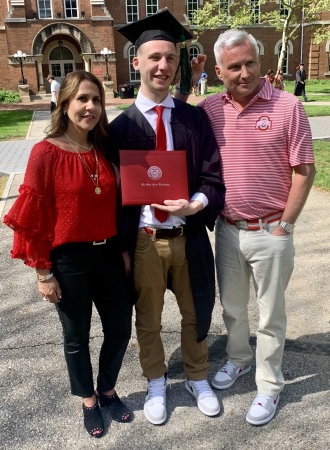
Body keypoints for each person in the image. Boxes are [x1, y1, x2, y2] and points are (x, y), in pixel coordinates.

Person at [176, 29, 315, 426]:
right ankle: (238, 359)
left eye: (250, 62)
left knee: (271, 314)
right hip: (227, 229)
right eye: (233, 66)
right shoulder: (209, 110)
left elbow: (304, 170)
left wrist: (285, 225)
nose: (243, 72)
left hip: (271, 230)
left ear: (260, 61)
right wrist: (186, 83)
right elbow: (178, 120)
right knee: (233, 307)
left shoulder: (288, 107)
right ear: (218, 71)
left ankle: (269, 385)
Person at [110, 10, 225, 425]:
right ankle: (156, 381)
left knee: (196, 311)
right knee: (150, 318)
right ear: (136, 62)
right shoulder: (119, 128)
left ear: (178, 64)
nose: (163, 65)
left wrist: (195, 204)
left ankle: (198, 376)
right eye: (154, 57)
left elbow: (213, 175)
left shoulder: (193, 119)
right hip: (144, 239)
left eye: (170, 58)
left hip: (188, 233)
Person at [3, 70, 133, 438]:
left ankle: (107, 388)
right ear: (64, 104)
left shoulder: (102, 148)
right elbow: (35, 218)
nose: (90, 107)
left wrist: (121, 249)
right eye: (82, 99)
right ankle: (89, 399)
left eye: (96, 100)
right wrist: (43, 273)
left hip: (108, 256)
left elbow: (116, 206)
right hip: (69, 261)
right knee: (76, 337)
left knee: (120, 329)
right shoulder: (44, 154)